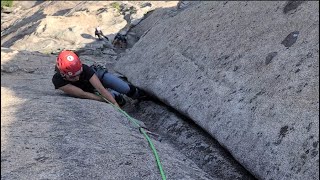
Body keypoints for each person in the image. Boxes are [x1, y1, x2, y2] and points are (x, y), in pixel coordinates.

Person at [52, 50, 145, 107]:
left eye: (79, 74)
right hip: (87, 89)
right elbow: (83, 94)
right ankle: (117, 97)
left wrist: (114, 104)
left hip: (98, 77)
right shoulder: (58, 80)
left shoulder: (85, 69)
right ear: (62, 73)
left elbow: (101, 89)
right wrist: (109, 101)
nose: (77, 78)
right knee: (112, 97)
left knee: (125, 88)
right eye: (72, 77)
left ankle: (140, 95)